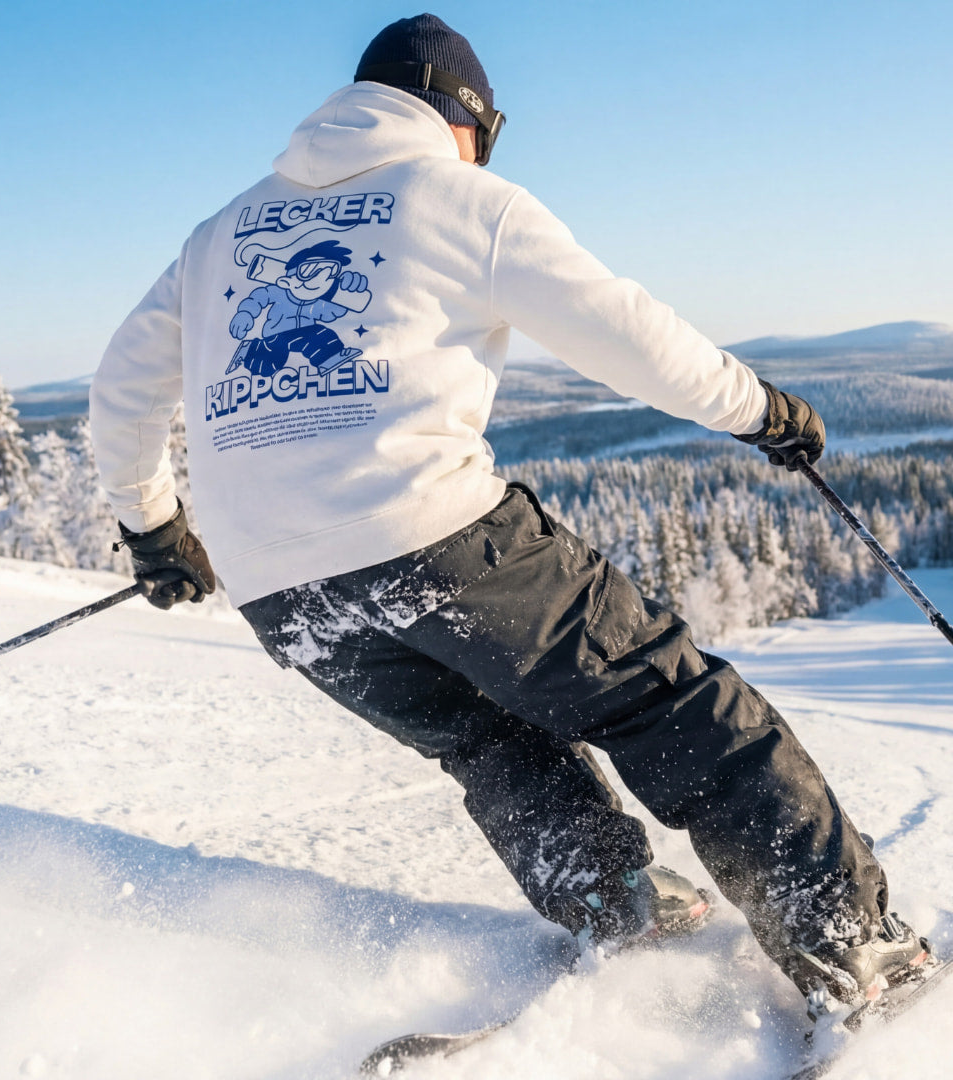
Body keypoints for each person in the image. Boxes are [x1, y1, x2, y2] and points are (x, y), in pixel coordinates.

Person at [90, 14, 930, 1013]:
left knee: (487, 740)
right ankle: (848, 942)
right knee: (672, 704)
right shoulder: (458, 197)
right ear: (467, 122)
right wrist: (758, 410)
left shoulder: (219, 233)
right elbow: (624, 329)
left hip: (278, 589)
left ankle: (615, 905)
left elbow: (120, 390)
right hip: (431, 533)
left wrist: (153, 530)